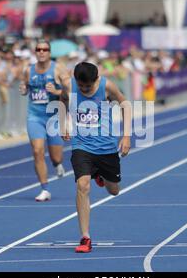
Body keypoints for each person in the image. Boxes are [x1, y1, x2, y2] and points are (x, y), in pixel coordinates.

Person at [59, 62, 131, 253]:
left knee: (114, 190)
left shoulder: (107, 86)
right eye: (81, 86)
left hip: (106, 147)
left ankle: (100, 175)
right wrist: (63, 122)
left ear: (96, 80)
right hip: (81, 145)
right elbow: (62, 100)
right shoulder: (69, 85)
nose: (84, 90)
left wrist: (126, 136)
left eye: (87, 87)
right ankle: (85, 237)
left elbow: (125, 104)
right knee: (82, 185)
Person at [19, 39, 68, 202]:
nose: (41, 52)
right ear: (35, 52)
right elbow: (25, 87)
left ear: (49, 52)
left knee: (56, 157)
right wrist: (24, 89)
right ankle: (45, 189)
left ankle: (57, 164)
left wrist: (57, 90)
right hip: (35, 117)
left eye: (44, 49)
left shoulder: (58, 69)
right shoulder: (28, 70)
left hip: (53, 117)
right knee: (37, 150)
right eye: (38, 49)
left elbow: (70, 90)